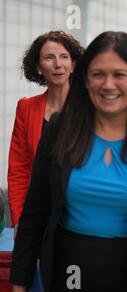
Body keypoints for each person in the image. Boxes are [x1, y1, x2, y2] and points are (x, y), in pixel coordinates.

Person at [10, 31, 127, 292]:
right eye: (98, 74)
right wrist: (19, 284)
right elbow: (35, 213)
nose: (108, 85)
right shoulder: (61, 128)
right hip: (69, 280)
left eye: (119, 74)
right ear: (84, 79)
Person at [8, 31, 83, 236]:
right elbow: (19, 170)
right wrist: (19, 220)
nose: (58, 64)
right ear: (39, 67)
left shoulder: (90, 109)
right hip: (39, 213)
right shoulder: (26, 108)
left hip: (81, 214)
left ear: (74, 65)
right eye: (49, 57)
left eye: (64, 57)